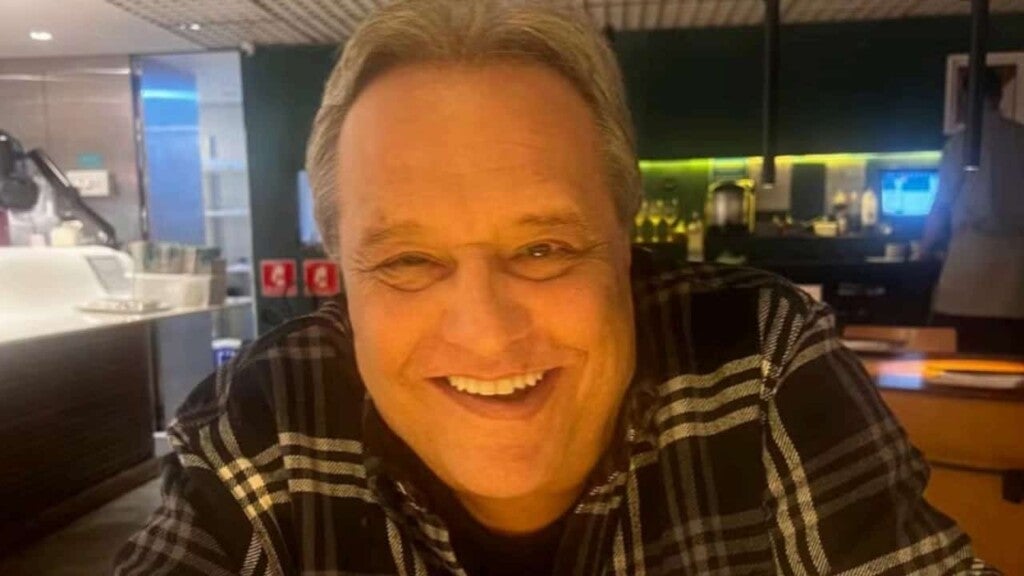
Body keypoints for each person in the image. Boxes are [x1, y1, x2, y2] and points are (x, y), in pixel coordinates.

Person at [115, 1, 994, 574]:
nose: (486, 331)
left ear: (625, 238)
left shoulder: (757, 362)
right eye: (408, 261)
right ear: (340, 267)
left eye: (544, 248)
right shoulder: (260, 424)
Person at [923, 68, 1024, 355]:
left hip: (968, 272)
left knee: (957, 359)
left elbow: (941, 206)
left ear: (966, 99)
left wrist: (924, 251)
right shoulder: (1021, 138)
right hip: (1016, 277)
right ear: (999, 96)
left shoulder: (961, 143)